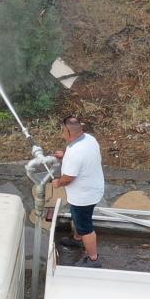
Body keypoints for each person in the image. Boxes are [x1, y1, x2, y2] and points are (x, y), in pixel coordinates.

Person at [50, 113, 105, 267]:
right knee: (77, 217)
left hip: (84, 196)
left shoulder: (75, 153)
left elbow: (68, 178)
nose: (62, 133)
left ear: (68, 132)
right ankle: (77, 239)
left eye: (62, 130)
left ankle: (93, 259)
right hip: (92, 188)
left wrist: (57, 183)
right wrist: (65, 155)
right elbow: (81, 158)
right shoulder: (89, 139)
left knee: (85, 226)